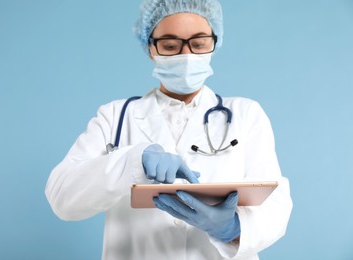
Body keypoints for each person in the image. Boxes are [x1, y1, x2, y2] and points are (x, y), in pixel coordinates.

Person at [45, 0, 293, 259]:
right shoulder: (115, 117)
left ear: (214, 43)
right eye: (171, 45)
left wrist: (232, 229)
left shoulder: (245, 115)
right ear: (151, 47)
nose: (186, 56)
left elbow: (276, 204)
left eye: (198, 43)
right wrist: (131, 162)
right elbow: (62, 197)